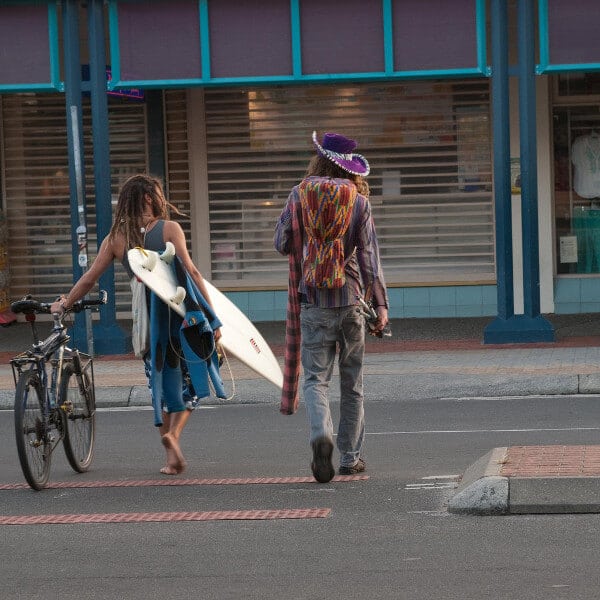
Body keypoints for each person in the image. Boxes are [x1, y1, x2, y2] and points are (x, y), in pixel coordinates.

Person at [50, 174, 221, 475]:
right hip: (180, 317)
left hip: (148, 321)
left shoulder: (116, 237)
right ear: (151, 198)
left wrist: (65, 303)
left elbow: (90, 278)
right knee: (191, 381)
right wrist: (212, 316)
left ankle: (169, 456)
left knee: (160, 383)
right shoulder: (170, 229)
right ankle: (175, 435)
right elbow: (192, 273)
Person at [274, 131, 389, 483]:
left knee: (315, 380)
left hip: (313, 303)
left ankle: (320, 435)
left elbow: (280, 243)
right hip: (351, 300)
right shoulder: (358, 201)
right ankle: (350, 457)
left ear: (318, 160)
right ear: (349, 168)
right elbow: (370, 257)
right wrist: (380, 304)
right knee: (352, 384)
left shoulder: (299, 195)